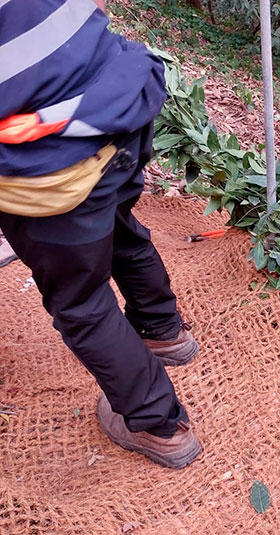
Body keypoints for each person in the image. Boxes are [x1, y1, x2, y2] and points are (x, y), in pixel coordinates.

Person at [0, 0, 202, 468]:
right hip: (123, 102)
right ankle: (163, 330)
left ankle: (159, 424)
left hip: (55, 158)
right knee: (118, 223)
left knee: (81, 303)